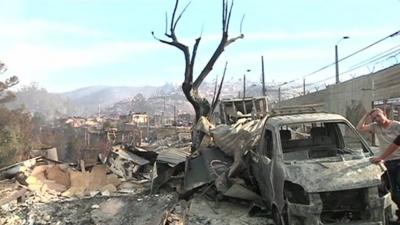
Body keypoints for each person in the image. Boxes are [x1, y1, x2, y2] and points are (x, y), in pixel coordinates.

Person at [357, 108, 400, 218]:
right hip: (387, 162)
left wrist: (380, 157)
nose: (377, 119)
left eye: (378, 116)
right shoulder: (375, 126)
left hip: (398, 160)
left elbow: (396, 144)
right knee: (392, 192)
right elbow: (359, 128)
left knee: (398, 190)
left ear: (384, 114)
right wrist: (366, 115)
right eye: (374, 118)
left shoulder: (396, 125)